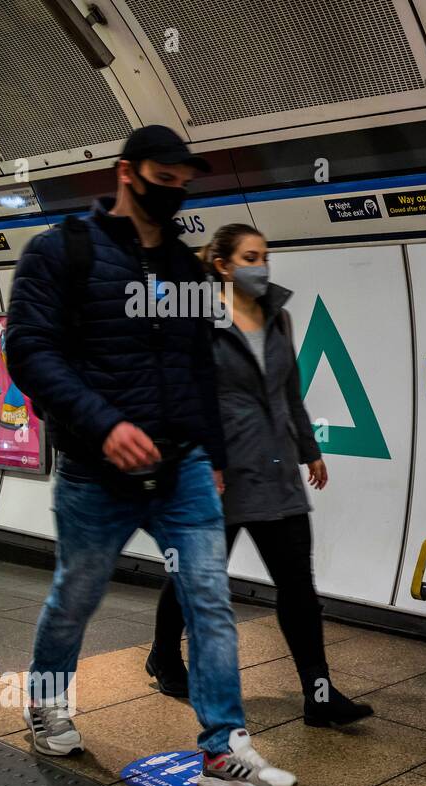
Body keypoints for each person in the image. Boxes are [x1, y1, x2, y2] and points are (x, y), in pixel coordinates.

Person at [7, 125, 296, 786]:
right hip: (93, 471)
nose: (174, 194)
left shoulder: (187, 269)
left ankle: (224, 750)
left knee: (210, 601)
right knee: (76, 597)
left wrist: (215, 456)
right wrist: (103, 424)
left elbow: (200, 368)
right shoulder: (62, 254)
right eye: (163, 181)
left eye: (182, 184)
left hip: (184, 467)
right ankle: (45, 702)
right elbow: (29, 351)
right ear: (126, 173)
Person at [146, 223, 372, 727]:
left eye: (265, 255)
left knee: (299, 591)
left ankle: (319, 694)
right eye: (250, 256)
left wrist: (309, 449)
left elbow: (290, 392)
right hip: (217, 478)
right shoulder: (196, 322)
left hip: (277, 474)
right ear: (222, 264)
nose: (261, 265)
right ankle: (164, 655)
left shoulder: (279, 318)